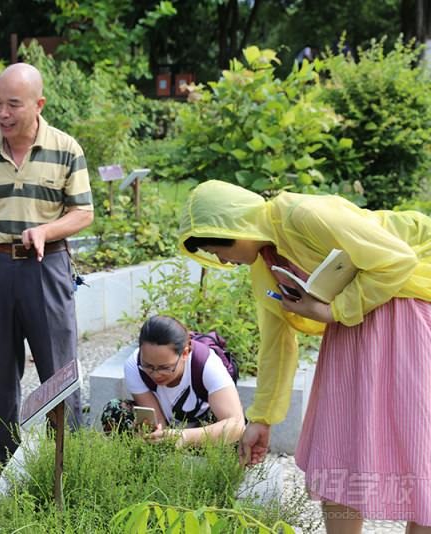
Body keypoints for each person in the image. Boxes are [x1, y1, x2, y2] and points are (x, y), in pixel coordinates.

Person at [178, 180, 431, 533]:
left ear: (234, 227)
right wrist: (262, 420)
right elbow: (276, 342)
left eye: (218, 249)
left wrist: (335, 309)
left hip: (405, 313)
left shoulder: (305, 215)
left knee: (417, 444)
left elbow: (397, 260)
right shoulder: (264, 264)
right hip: (349, 331)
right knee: (340, 442)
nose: (221, 260)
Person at [0, 62, 94, 493]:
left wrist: (46, 230)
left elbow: (84, 212)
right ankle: (5, 462)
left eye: (13, 104)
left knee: (58, 368)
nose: (2, 112)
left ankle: (65, 464)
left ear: (38, 105)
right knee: (2, 370)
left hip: (47, 267)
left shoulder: (65, 148)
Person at [101, 315, 245, 446]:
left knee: (237, 439)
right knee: (114, 411)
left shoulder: (207, 363)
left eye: (165, 367)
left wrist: (183, 437)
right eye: (149, 366)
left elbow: (237, 425)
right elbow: (157, 420)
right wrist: (155, 432)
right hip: (170, 429)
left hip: (202, 432)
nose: (156, 375)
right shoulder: (135, 365)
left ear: (184, 354)